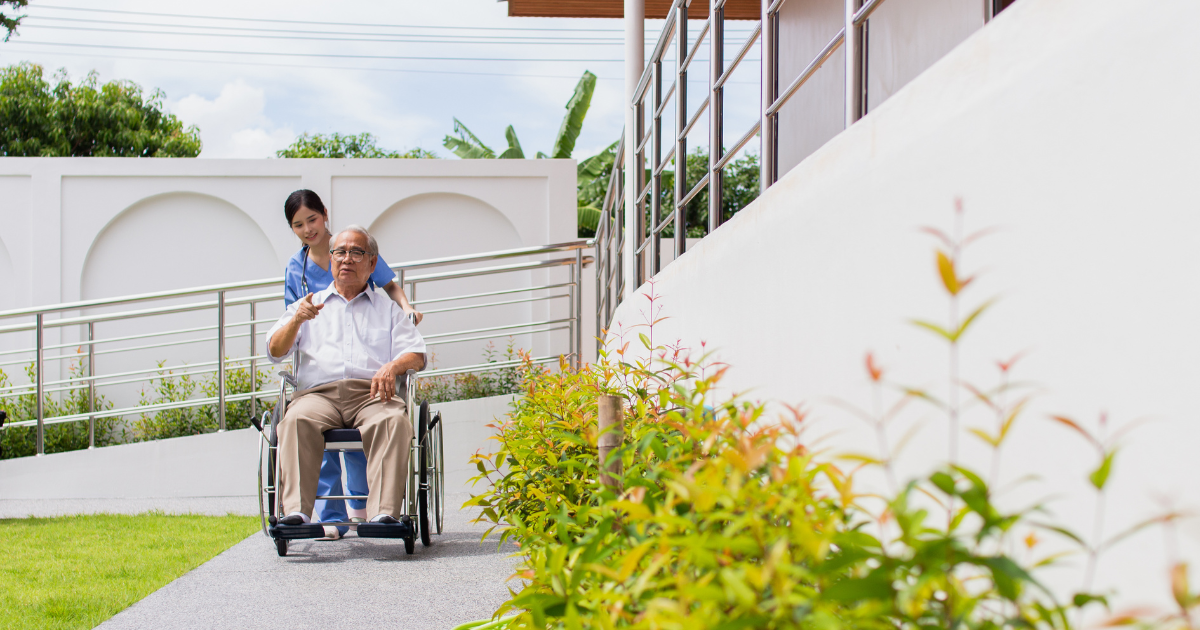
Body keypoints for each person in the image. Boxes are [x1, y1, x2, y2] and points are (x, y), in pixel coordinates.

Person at [281, 189, 422, 539]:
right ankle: (300, 515)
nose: (347, 259)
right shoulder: (306, 297)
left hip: (371, 391)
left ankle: (381, 516)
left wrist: (392, 366)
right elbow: (275, 348)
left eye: (356, 254)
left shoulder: (386, 309)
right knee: (296, 418)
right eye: (340, 254)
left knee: (392, 419)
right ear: (330, 261)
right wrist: (296, 320)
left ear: (372, 263)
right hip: (318, 393)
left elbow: (416, 353)